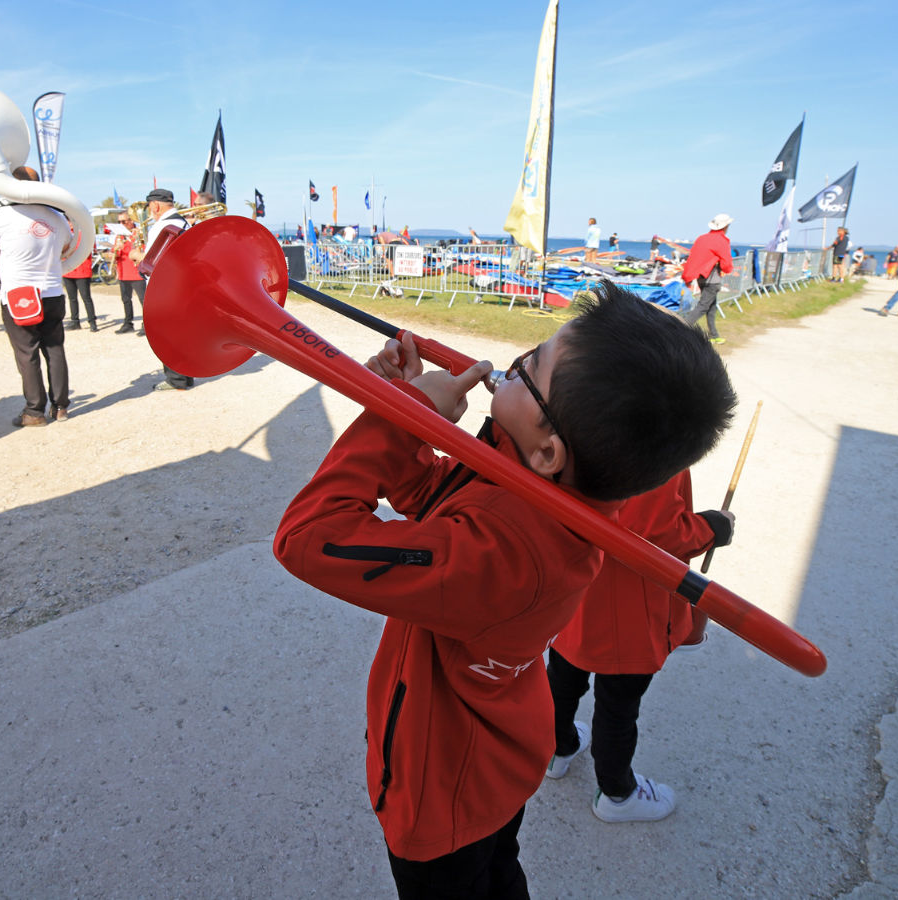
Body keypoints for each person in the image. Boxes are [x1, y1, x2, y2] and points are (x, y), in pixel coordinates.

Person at [274, 282, 736, 897]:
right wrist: (400, 407)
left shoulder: (507, 556)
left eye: (528, 369)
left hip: (441, 793)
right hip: (493, 764)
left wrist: (391, 420)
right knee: (498, 872)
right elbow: (430, 502)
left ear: (550, 450)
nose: (508, 368)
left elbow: (307, 537)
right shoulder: (543, 489)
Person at [545, 469, 732, 822]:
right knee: (618, 706)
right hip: (628, 610)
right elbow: (655, 531)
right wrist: (712, 528)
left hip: (573, 587)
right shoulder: (655, 432)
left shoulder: (573, 416)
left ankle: (556, 748)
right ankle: (617, 794)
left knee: (561, 678)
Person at [0, 166, 71, 425]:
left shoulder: (4, 214)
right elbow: (66, 247)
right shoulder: (57, 217)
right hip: (53, 291)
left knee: (27, 353)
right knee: (55, 349)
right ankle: (60, 408)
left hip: (19, 294)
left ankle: (34, 412)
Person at [134, 188, 194, 390]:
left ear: (155, 205)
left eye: (149, 207)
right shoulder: (182, 222)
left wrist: (137, 255)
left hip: (165, 289)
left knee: (167, 336)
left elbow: (154, 259)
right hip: (180, 287)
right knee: (181, 334)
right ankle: (185, 376)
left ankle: (175, 379)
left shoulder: (163, 225)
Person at [678, 213, 734, 344]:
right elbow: (726, 263)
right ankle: (680, 329)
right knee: (703, 307)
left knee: (711, 307)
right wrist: (726, 269)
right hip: (712, 279)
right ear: (726, 226)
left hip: (701, 278)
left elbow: (693, 258)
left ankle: (714, 335)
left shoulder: (702, 238)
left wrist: (687, 277)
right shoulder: (722, 241)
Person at [110, 211, 142, 333]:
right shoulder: (119, 236)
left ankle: (146, 324)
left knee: (143, 300)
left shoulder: (137, 233)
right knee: (126, 299)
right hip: (123, 272)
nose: (121, 224)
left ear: (131, 221)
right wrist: (116, 249)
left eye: (123, 221)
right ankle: (128, 323)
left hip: (136, 272)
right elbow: (115, 252)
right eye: (119, 222)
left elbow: (141, 250)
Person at [62, 239, 97, 331]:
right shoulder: (66, 234)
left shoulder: (85, 233)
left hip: (82, 271)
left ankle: (92, 322)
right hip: (68, 271)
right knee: (72, 298)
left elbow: (87, 249)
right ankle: (75, 321)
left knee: (86, 298)